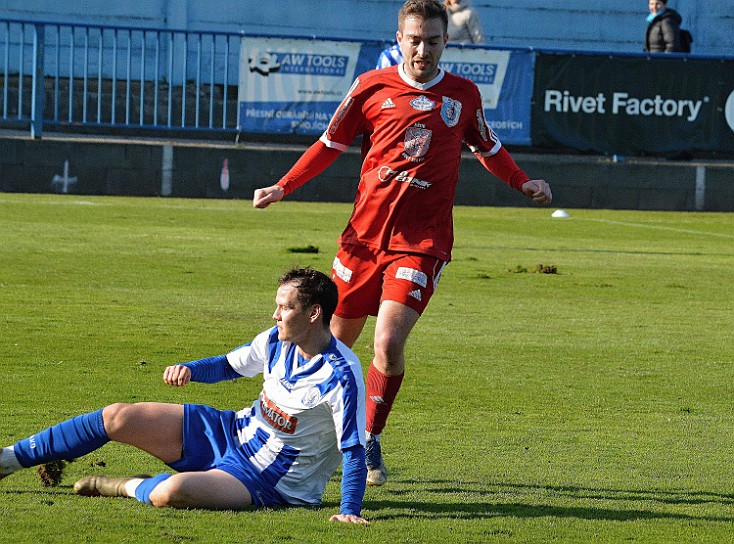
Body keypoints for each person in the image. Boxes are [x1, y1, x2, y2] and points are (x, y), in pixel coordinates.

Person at [253, 0, 552, 487]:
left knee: (387, 343)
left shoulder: (462, 95)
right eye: (414, 40)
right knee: (328, 346)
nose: (423, 50)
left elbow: (488, 147)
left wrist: (522, 183)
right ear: (400, 39)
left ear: (445, 42)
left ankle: (369, 438)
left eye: (432, 41)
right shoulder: (371, 87)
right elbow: (330, 144)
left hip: (421, 242)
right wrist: (284, 185)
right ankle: (279, 432)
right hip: (361, 242)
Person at [0, 268, 369, 524]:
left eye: (285, 307)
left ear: (313, 313)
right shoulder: (275, 340)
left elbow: (353, 449)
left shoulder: (341, 376)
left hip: (270, 480)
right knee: (117, 416)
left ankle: (125, 486)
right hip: (232, 431)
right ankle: (8, 460)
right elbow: (228, 365)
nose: (275, 315)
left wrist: (350, 509)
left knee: (170, 493)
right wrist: (191, 369)